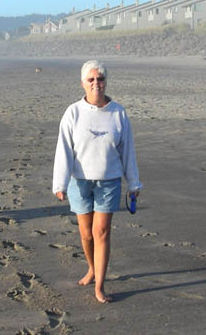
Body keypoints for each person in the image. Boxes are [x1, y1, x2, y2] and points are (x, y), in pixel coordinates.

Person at [53, 60, 141, 303]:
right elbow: (64, 149)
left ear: (106, 82)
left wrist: (134, 184)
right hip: (79, 181)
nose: (96, 83)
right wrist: (59, 183)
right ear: (83, 83)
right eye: (91, 80)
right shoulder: (73, 112)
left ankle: (99, 286)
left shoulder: (118, 112)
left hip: (109, 181)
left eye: (100, 79)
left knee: (101, 231)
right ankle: (91, 268)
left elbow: (128, 151)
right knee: (86, 234)